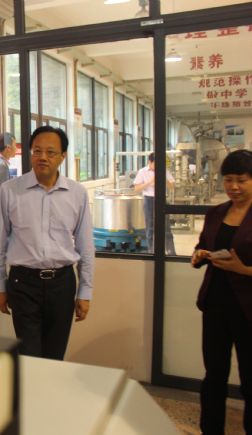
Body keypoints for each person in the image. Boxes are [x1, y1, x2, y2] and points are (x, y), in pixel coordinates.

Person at [0, 126, 94, 359]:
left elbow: (86, 246)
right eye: (37, 151)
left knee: (55, 356)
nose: (42, 157)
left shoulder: (77, 193)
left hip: (62, 284)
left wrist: (85, 291)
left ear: (62, 156)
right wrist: (0, 287)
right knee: (29, 356)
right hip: (23, 283)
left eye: (50, 152)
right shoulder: (10, 190)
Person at [191, 149, 252, 435]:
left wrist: (245, 270)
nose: (234, 187)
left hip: (247, 308)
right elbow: (203, 244)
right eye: (228, 180)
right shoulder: (216, 213)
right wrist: (199, 255)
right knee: (214, 375)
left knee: (250, 379)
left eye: (241, 180)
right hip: (215, 304)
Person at [133, 152, 176, 255]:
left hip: (162, 199)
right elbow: (137, 188)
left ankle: (171, 252)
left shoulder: (164, 170)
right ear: (150, 162)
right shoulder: (142, 172)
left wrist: (163, 178)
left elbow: (172, 187)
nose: (157, 167)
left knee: (166, 227)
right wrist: (149, 182)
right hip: (149, 200)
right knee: (150, 227)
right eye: (155, 164)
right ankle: (151, 252)